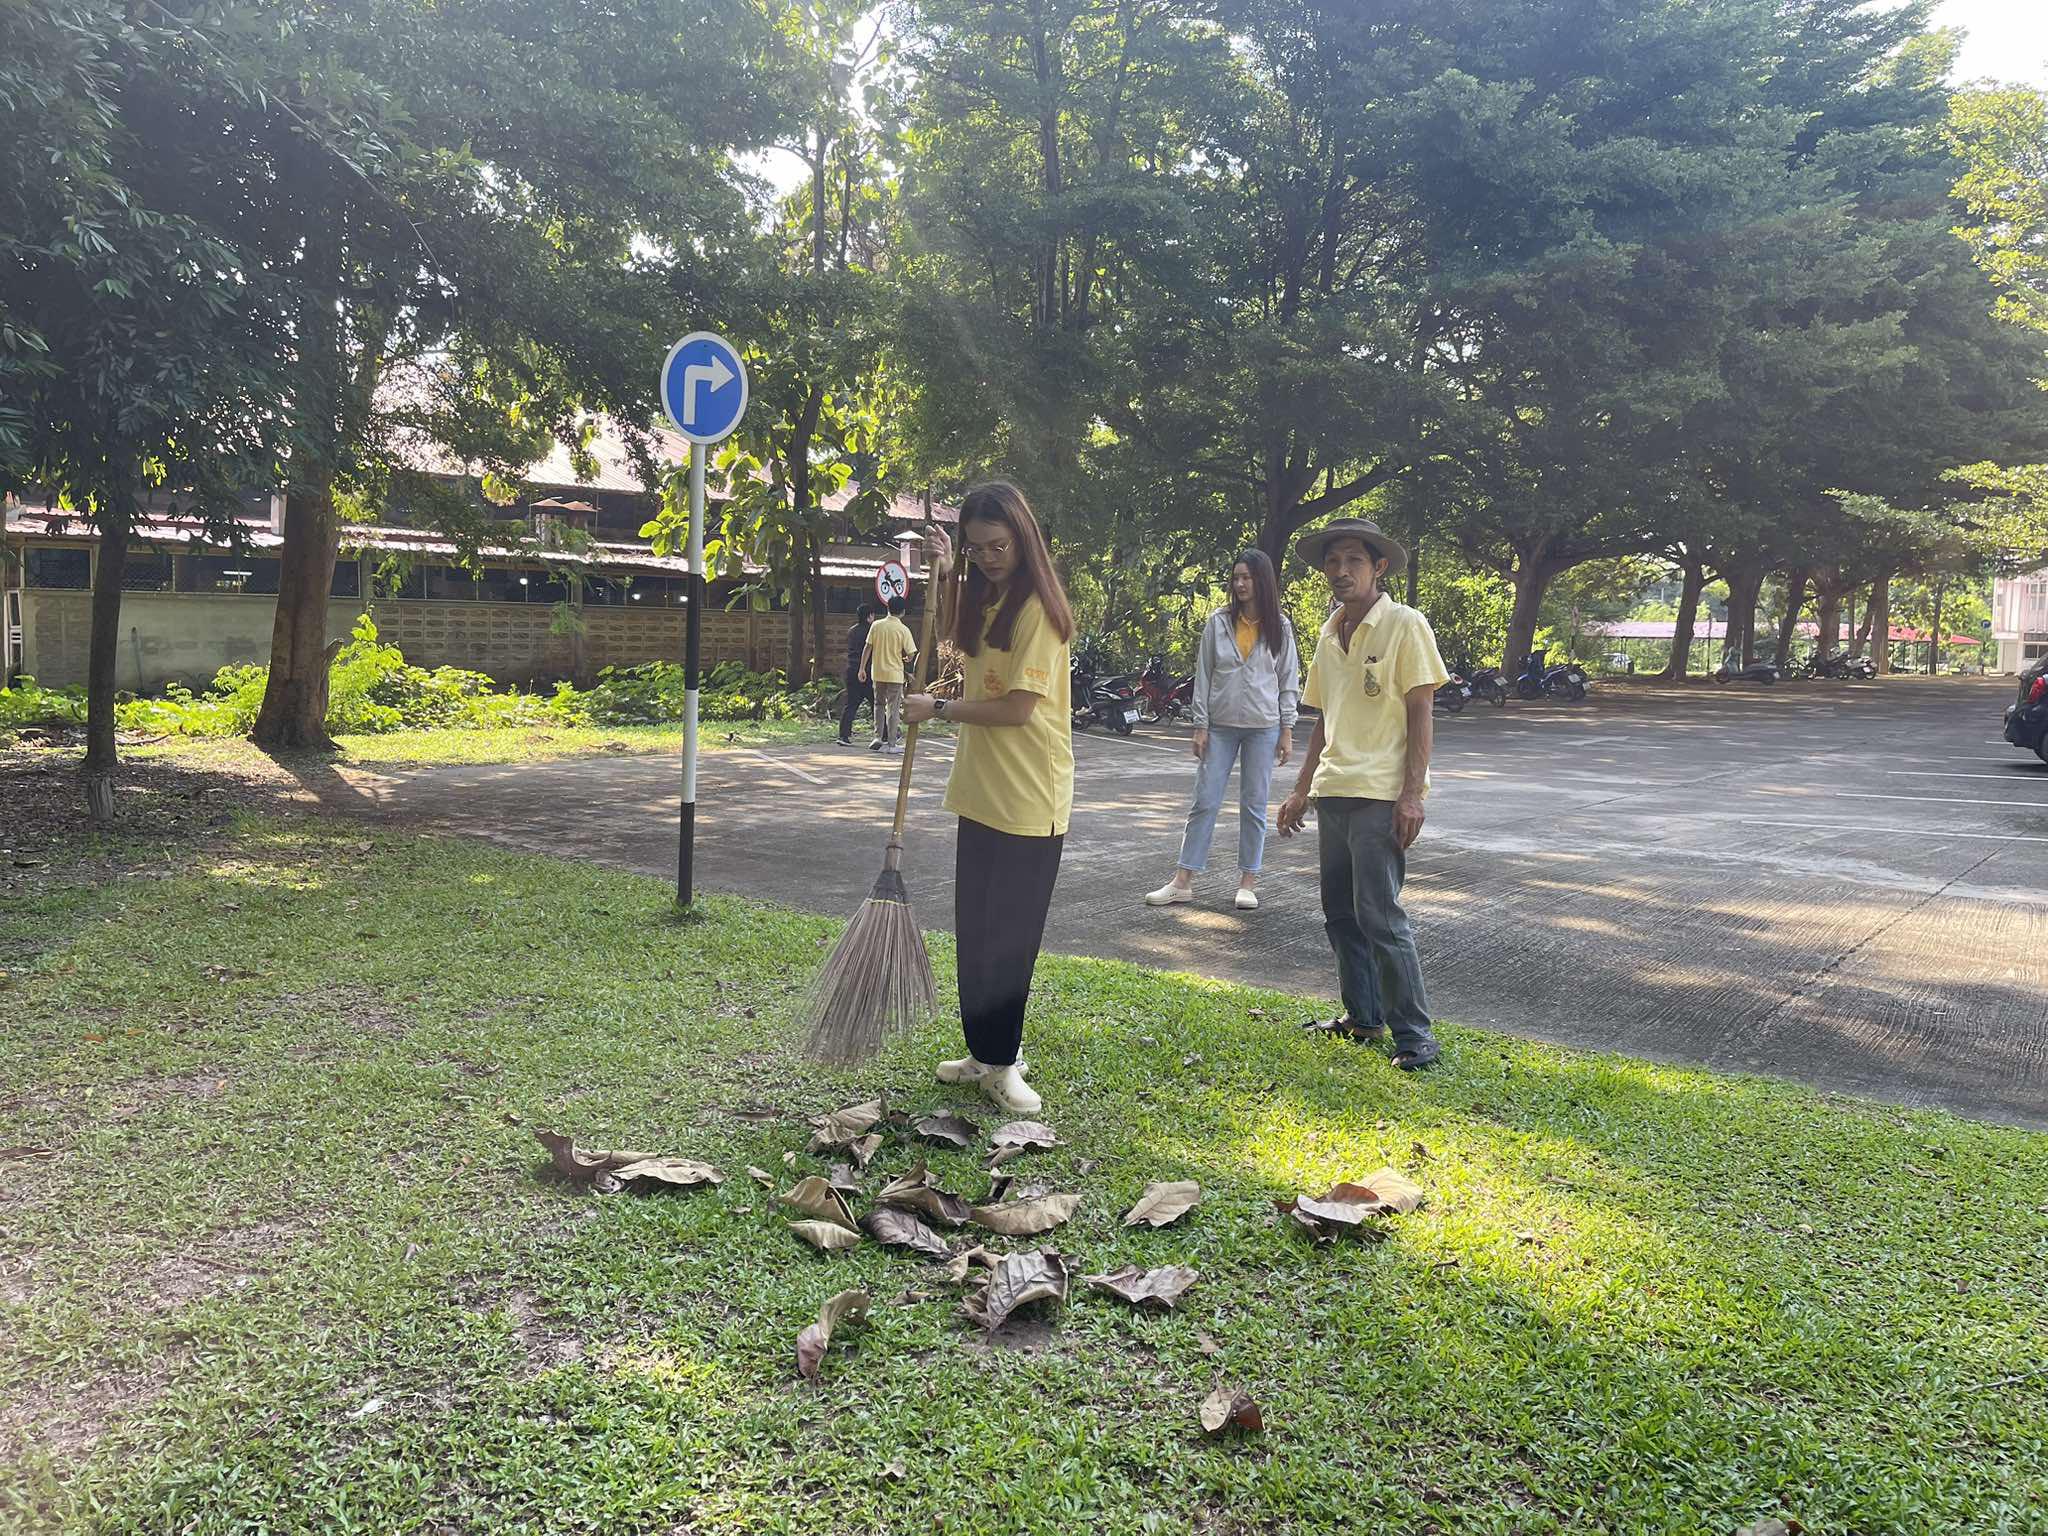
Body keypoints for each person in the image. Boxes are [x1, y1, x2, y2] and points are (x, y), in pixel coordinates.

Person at [903, 482, 1073, 1115]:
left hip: (1031, 800)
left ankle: (1004, 1062)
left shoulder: (1041, 612)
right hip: (979, 792)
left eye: (997, 546)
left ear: (1023, 538)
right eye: (976, 549)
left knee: (1010, 938)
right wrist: (946, 572)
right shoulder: (988, 595)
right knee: (974, 932)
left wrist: (939, 708)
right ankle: (981, 1050)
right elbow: (954, 640)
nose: (988, 557)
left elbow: (1019, 709)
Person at [1276, 518, 1447, 1071]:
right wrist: (1301, 789)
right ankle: (1363, 1017)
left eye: (1354, 560)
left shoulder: (1404, 624)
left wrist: (1412, 794)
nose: (1341, 571)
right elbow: (1326, 718)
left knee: (1381, 915)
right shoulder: (1329, 633)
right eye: (1333, 561)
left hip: (1380, 794)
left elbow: (1421, 709)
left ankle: (1415, 1034)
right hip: (1335, 791)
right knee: (1341, 915)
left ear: (1378, 568)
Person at [1145, 548, 1299, 912]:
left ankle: (1248, 881)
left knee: (1254, 804)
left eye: (1247, 577)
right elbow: (1205, 675)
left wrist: (1287, 729)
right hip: (1220, 727)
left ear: (1262, 580)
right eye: (1236, 577)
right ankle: (1182, 881)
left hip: (1263, 727)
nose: (1241, 584)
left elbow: (1288, 680)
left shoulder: (1281, 626)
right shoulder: (1218, 622)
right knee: (1205, 801)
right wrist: (1200, 725)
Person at [861, 596, 916, 754]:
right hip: (895, 674)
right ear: (903, 612)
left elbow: (867, 648)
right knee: (892, 708)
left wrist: (862, 668)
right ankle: (892, 743)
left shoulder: (876, 625)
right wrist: (905, 658)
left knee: (878, 705)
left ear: (887, 608)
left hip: (877, 672)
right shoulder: (903, 629)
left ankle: (878, 737)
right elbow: (911, 654)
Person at [837, 604, 875, 746]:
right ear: (869, 616)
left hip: (851, 669)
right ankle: (885, 734)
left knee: (851, 704)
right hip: (867, 671)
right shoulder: (872, 631)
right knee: (876, 703)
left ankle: (843, 735)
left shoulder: (852, 631)